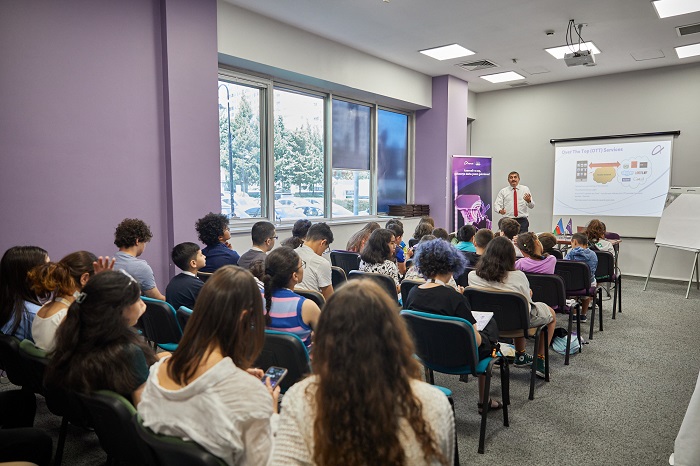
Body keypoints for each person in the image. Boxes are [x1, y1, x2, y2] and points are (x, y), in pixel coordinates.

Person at [271, 280, 453, 465]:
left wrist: (272, 419)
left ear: (325, 339)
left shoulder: (300, 399)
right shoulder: (434, 403)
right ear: (396, 338)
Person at [139, 266, 279, 466]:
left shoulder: (156, 373)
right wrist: (271, 413)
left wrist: (234, 375)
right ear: (244, 317)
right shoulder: (251, 396)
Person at [403, 239, 502, 413]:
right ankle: (483, 401)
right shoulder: (455, 298)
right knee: (490, 329)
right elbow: (476, 341)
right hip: (460, 358)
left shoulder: (412, 293)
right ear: (451, 265)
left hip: (426, 354)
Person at [45, 271, 157, 405]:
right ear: (120, 310)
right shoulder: (129, 353)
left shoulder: (75, 336)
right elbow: (144, 408)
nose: (143, 305)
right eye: (138, 299)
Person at [468, 237, 556, 378]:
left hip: (488, 324)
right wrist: (527, 295)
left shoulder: (473, 276)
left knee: (514, 309)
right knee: (550, 314)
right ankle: (540, 359)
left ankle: (521, 355)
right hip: (517, 324)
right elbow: (526, 306)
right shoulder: (518, 276)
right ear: (511, 256)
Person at [29, 251, 99, 352]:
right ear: (84, 278)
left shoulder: (43, 308)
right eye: (95, 280)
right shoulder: (68, 316)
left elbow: (79, 301)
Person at [262, 247, 322, 350]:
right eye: (301, 265)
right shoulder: (306, 306)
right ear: (295, 276)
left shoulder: (255, 297)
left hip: (263, 360)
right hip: (303, 360)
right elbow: (326, 340)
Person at [0, 246, 49, 341]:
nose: (51, 273)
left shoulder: (7, 306)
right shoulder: (34, 314)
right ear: (30, 275)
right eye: (47, 268)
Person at [113, 218, 166, 301]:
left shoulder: (106, 264)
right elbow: (158, 299)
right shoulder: (141, 267)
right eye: (144, 243)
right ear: (137, 241)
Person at [564, 232, 598, 322]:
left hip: (572, 285)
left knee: (572, 294)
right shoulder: (593, 254)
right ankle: (583, 315)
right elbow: (593, 270)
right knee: (592, 282)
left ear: (574, 242)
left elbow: (565, 267)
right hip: (587, 284)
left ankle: (574, 315)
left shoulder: (570, 254)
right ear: (586, 243)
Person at [296, 222, 334, 300]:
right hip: (313, 305)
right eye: (325, 249)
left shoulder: (289, 253)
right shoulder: (321, 263)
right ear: (323, 242)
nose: (323, 253)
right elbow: (330, 299)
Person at [165, 242, 206, 312]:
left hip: (178, 318)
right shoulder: (197, 286)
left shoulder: (173, 280)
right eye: (201, 255)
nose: (204, 256)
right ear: (193, 263)